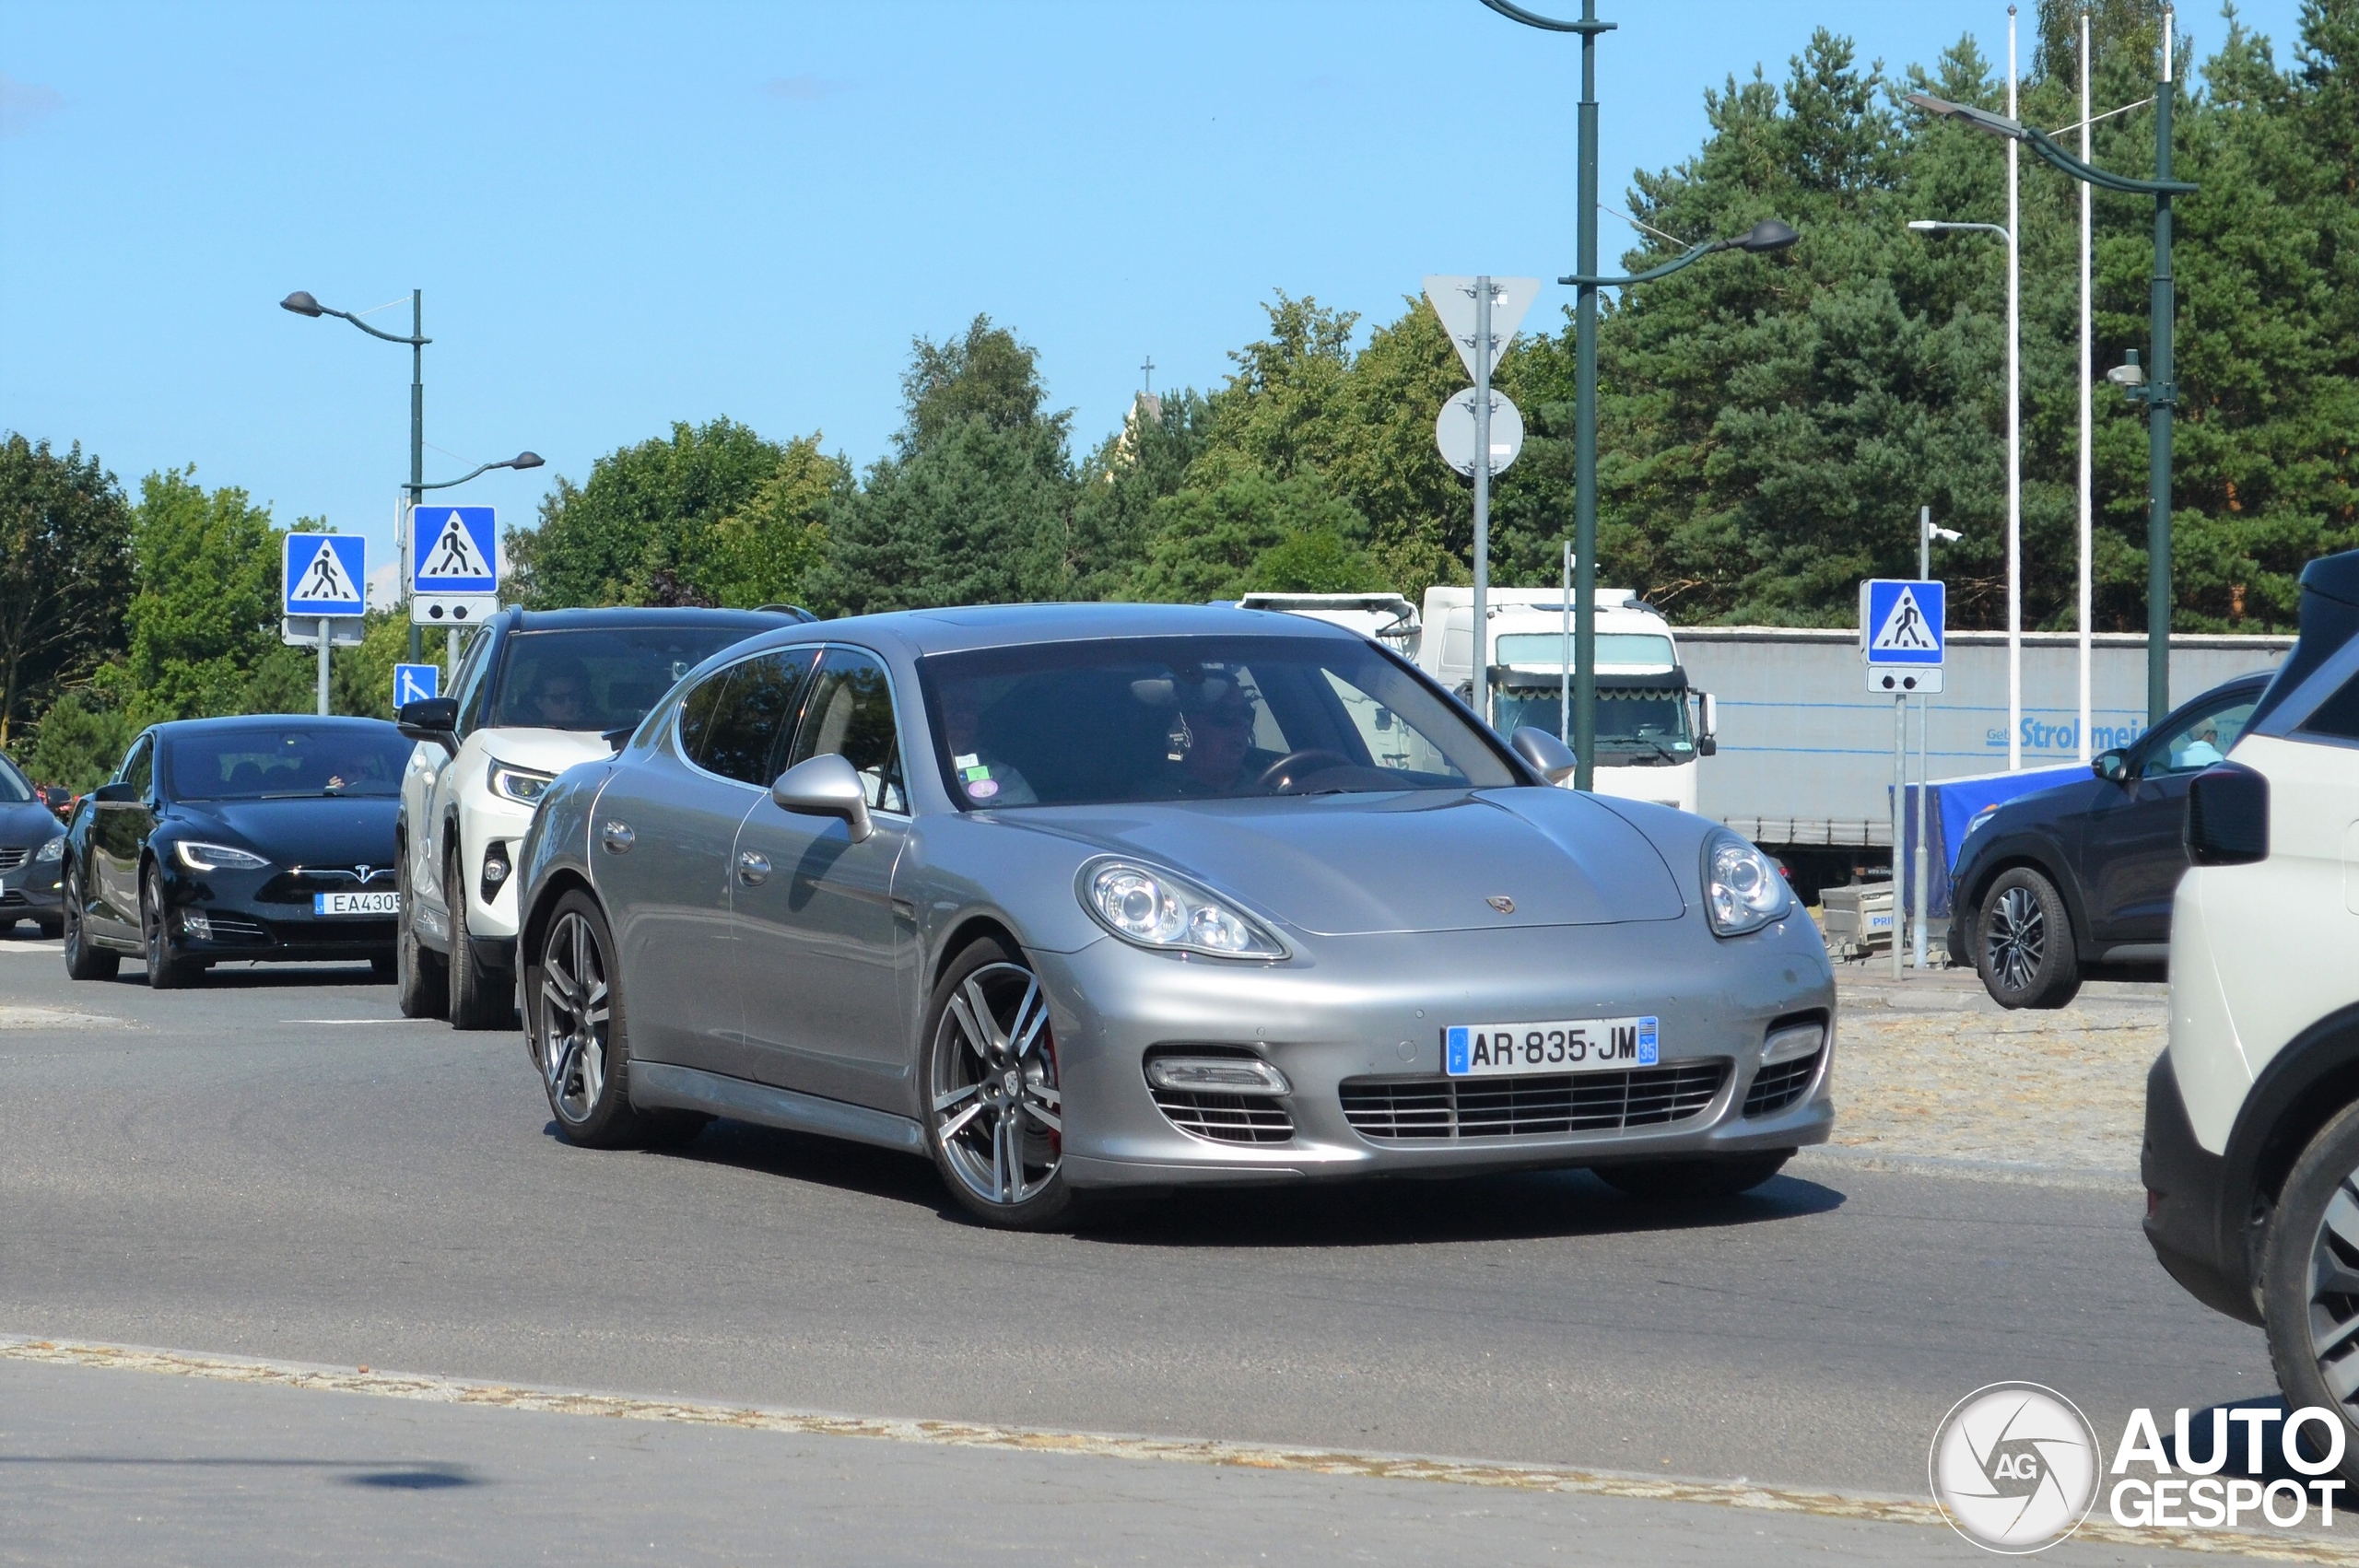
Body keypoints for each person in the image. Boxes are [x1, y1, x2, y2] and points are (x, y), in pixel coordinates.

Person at [939, 683, 1035, 805]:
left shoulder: (1005, 779)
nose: (961, 716)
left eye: (968, 707)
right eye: (949, 707)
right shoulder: (910, 776)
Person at [1167, 676, 1261, 795]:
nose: (1242, 724)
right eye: (1225, 714)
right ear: (1184, 724)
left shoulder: (1277, 791)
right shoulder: (1148, 798)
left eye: (1246, 713)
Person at [524, 661, 592, 729]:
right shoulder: (525, 735)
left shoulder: (599, 730)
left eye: (573, 696)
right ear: (539, 703)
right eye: (558, 698)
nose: (569, 703)